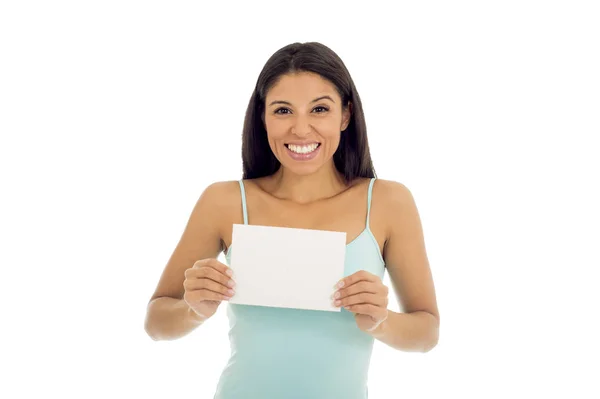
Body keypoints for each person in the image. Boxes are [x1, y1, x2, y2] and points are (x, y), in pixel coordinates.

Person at [144, 41, 440, 399]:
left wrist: (383, 320)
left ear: (345, 115)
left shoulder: (388, 203)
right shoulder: (224, 202)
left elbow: (427, 333)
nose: (301, 130)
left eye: (319, 109)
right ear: (263, 117)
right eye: (283, 111)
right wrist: (193, 310)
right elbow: (156, 323)